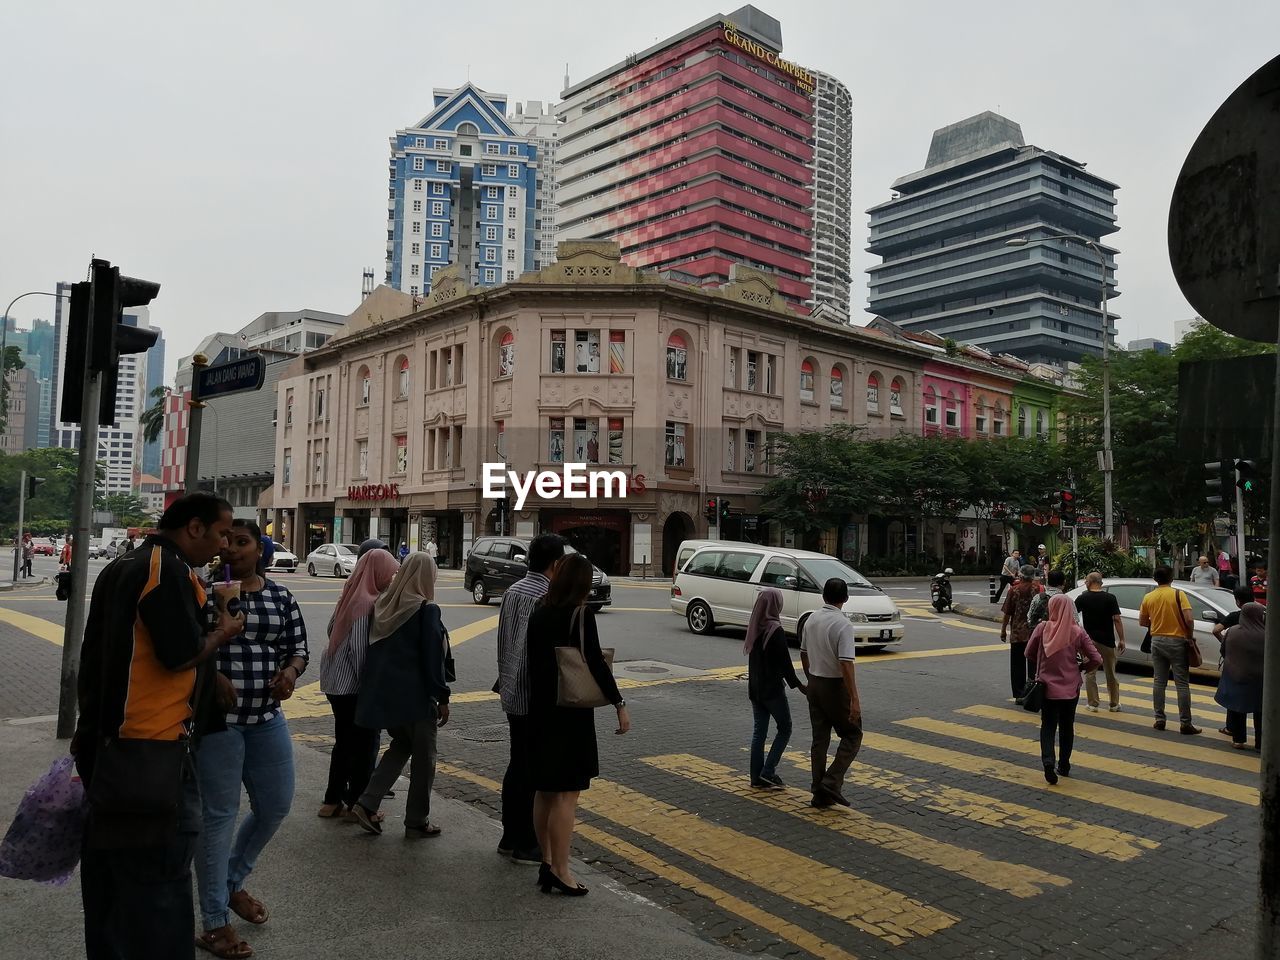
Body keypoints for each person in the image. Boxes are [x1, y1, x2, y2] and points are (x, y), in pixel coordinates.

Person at [72, 492, 244, 960]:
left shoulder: (128, 565)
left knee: (113, 889)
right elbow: (179, 653)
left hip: (113, 749)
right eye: (221, 533)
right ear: (193, 528)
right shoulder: (163, 571)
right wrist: (223, 632)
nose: (224, 546)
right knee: (160, 892)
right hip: (150, 755)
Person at [194, 519, 308, 958]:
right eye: (226, 542)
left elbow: (297, 647)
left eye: (242, 543)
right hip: (220, 724)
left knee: (275, 805)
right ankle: (215, 922)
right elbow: (187, 646)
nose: (232, 550)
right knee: (219, 816)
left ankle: (230, 883)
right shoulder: (205, 592)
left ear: (259, 549)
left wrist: (291, 673)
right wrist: (213, 673)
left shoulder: (281, 596)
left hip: (267, 718)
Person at [527, 553, 630, 894]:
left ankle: (546, 862)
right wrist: (619, 703)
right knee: (567, 795)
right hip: (570, 712)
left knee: (544, 790)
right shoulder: (581, 614)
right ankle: (562, 870)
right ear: (583, 585)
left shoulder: (539, 609)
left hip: (541, 709)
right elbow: (596, 663)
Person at [352, 553, 452, 838]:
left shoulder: (384, 603)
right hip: (417, 698)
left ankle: (366, 802)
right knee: (425, 759)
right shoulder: (425, 609)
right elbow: (433, 659)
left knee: (401, 745)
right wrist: (442, 697)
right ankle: (417, 820)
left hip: (386, 696)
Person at [495, 535, 567, 864]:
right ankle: (526, 843)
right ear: (555, 564)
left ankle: (510, 836)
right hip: (534, 695)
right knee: (532, 770)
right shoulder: (547, 595)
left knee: (517, 765)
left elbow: (504, 641)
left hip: (511, 689)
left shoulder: (512, 592)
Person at [318, 548, 400, 819]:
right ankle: (357, 805)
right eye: (389, 572)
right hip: (353, 687)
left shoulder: (350, 593)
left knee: (343, 743)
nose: (391, 577)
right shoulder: (367, 602)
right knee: (364, 746)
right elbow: (359, 653)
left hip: (335, 683)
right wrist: (371, 687)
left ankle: (331, 802)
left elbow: (332, 629)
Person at [1026, 594, 1103, 784]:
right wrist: (1081, 668)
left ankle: (1048, 762)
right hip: (1071, 688)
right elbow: (1097, 659)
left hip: (1046, 688)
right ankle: (1064, 765)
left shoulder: (1042, 628)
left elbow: (1029, 653)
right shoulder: (1077, 632)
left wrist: (1043, 664)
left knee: (1048, 725)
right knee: (1067, 726)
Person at [800, 578, 862, 809]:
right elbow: (846, 664)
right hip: (834, 686)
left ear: (823, 597)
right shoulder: (843, 624)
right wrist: (854, 698)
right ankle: (831, 781)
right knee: (853, 734)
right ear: (845, 598)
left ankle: (819, 792)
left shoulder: (811, 619)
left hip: (814, 682)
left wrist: (810, 679)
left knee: (820, 739)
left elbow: (804, 654)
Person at [745, 588, 806, 788]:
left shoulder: (755, 626)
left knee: (759, 732)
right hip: (772, 690)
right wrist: (799, 686)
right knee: (785, 727)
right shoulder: (775, 630)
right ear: (775, 605)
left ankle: (756, 777)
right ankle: (768, 771)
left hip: (755, 689)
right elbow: (785, 665)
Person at [1138, 566, 1200, 735]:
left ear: (1155, 579)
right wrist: (1189, 636)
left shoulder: (1148, 597)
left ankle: (1160, 719)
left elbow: (1143, 622)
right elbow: (1189, 619)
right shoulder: (1179, 595)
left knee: (1159, 681)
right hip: (1178, 641)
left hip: (1156, 640)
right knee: (1181, 683)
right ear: (1171, 578)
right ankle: (1185, 723)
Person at [1216, 602, 1265, 750]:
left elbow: (1223, 651)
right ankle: (1260, 743)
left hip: (1236, 676)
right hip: (1260, 679)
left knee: (1237, 707)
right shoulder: (1268, 634)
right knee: (1260, 711)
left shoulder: (1232, 631)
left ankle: (1238, 740)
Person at [1075, 572, 1126, 712]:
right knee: (1111, 672)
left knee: (1091, 672)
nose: (1085, 583)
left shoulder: (1082, 598)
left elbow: (1073, 616)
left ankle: (1093, 703)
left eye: (1086, 580)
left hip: (1089, 641)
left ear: (1090, 582)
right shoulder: (1110, 598)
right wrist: (1121, 639)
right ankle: (1114, 704)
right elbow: (1116, 619)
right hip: (1107, 641)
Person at [1000, 565, 1042, 700]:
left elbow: (1007, 613)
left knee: (1017, 665)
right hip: (1034, 632)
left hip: (1017, 632)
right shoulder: (1038, 590)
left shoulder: (1014, 590)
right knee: (1033, 664)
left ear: (1021, 575)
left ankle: (1018, 694)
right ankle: (1031, 693)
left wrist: (1003, 630)